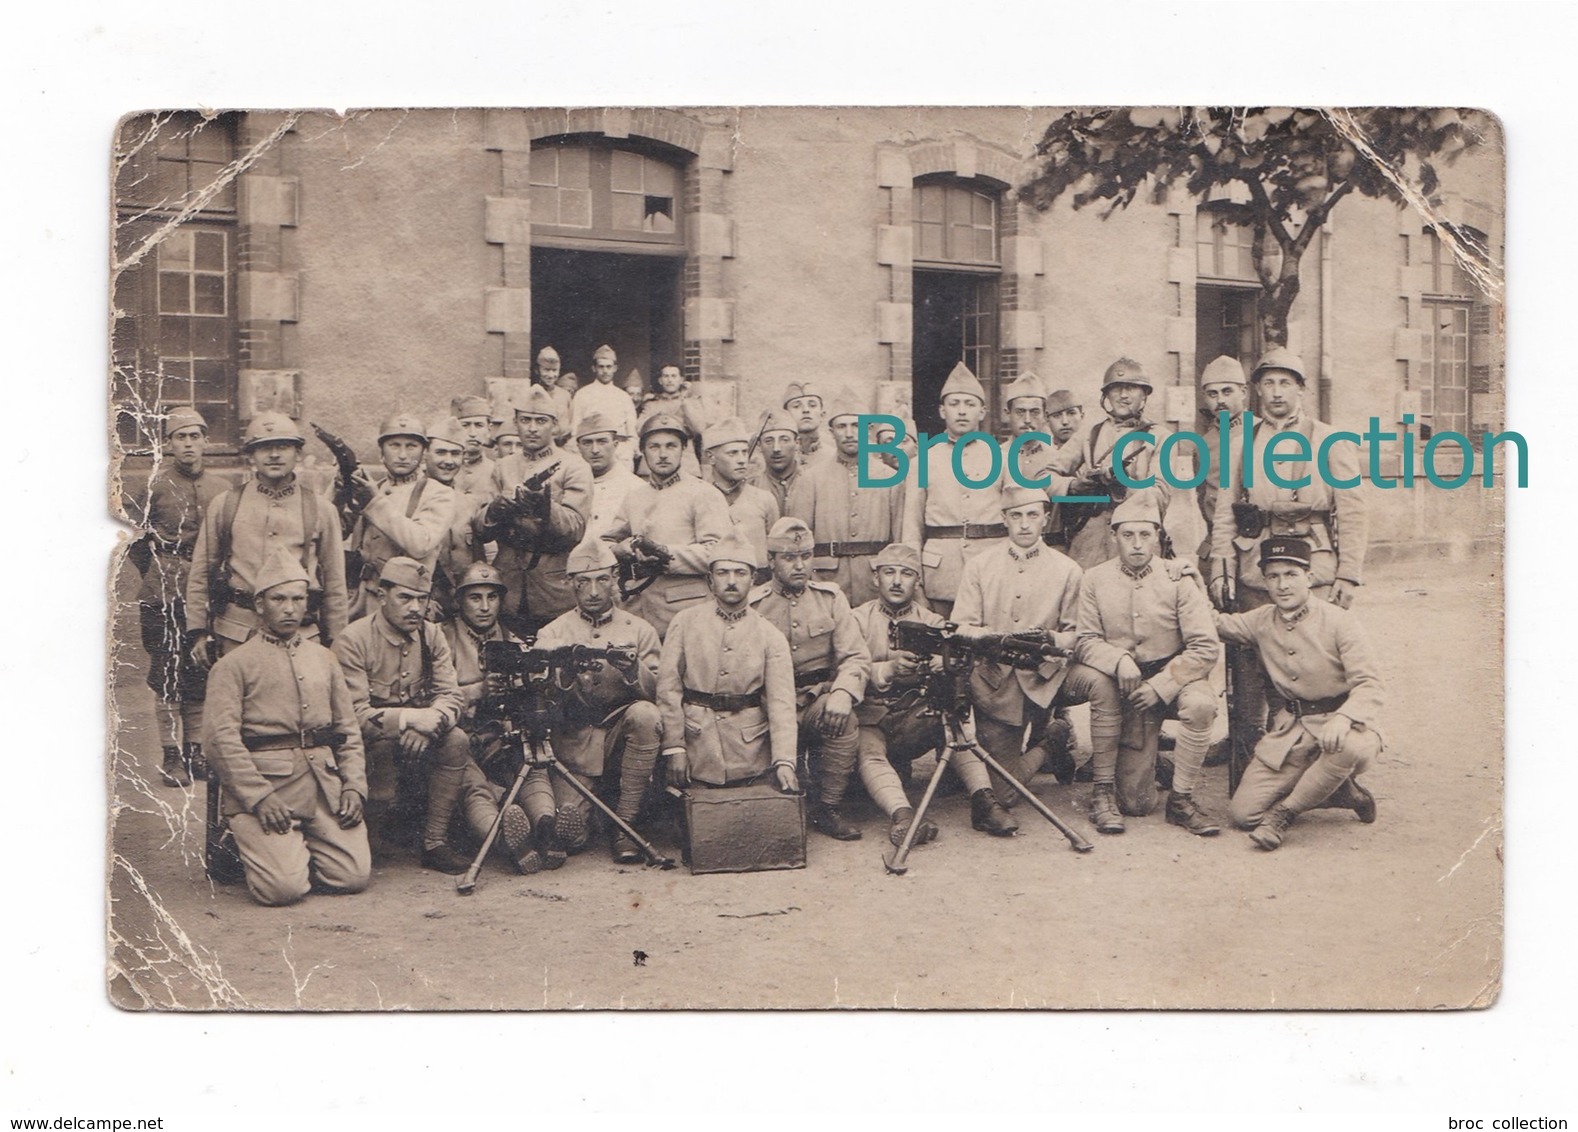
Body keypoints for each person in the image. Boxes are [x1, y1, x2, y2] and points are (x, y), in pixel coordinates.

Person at [203, 548, 370, 906]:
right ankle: (248, 843)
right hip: (268, 789)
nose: (290, 608)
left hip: (323, 786)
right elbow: (220, 741)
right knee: (282, 891)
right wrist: (258, 797)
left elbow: (348, 731)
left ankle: (291, 851)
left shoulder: (325, 659)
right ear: (259, 604)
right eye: (279, 599)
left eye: (298, 599)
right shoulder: (234, 665)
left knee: (353, 876)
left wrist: (354, 786)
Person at [333, 557, 518, 874]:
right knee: (365, 854)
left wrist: (429, 722)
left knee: (455, 739)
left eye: (422, 599)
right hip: (368, 745)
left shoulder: (430, 636)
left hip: (419, 737)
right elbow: (353, 716)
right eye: (405, 598)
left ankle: (434, 843)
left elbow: (450, 696)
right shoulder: (354, 640)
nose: (415, 608)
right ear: (382, 596)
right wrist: (410, 720)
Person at [952, 487, 1118, 815]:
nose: (1025, 524)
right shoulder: (980, 566)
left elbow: (1078, 633)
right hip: (997, 682)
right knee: (1004, 794)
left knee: (1100, 682)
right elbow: (961, 626)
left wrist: (1050, 640)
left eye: (1032, 515)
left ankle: (1104, 787)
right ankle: (1049, 743)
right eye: (1016, 516)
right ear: (1004, 519)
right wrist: (992, 638)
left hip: (1048, 676)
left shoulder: (1067, 569)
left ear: (1045, 518)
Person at [1213, 537, 1383, 850]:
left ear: (1309, 577)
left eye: (1291, 574)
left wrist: (1344, 718)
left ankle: (1285, 813)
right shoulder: (1261, 620)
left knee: (1349, 746)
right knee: (1243, 814)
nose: (1282, 585)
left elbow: (1370, 683)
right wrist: (1187, 579)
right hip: (1293, 733)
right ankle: (1339, 790)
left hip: (1343, 726)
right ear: (1265, 583)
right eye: (1273, 576)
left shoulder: (1339, 621)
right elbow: (1215, 624)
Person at [1072, 493, 1222, 834]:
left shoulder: (1176, 577)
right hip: (1127, 686)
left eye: (1145, 535)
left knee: (1201, 705)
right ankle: (1137, 769)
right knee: (1137, 804)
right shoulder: (1095, 579)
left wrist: (1163, 684)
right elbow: (1085, 640)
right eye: (1127, 535)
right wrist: (1119, 659)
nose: (1137, 545)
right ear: (1113, 537)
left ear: (1158, 536)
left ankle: (1182, 800)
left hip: (1176, 675)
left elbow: (1205, 646)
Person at [849, 543, 1015, 842]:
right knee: (868, 751)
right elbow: (847, 667)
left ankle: (984, 801)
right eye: (889, 572)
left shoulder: (934, 623)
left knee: (957, 728)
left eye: (907, 574)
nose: (897, 581)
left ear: (918, 581)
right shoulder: (856, 620)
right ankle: (904, 816)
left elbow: (959, 665)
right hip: (872, 714)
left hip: (918, 715)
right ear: (876, 579)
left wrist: (944, 664)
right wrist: (886, 669)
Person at [530, 541, 664, 864]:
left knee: (646, 715)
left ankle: (626, 826)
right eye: (582, 582)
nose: (592, 591)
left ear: (615, 578)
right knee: (571, 836)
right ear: (569, 583)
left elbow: (660, 693)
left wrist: (633, 670)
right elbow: (540, 695)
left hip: (622, 736)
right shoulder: (552, 633)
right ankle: (597, 814)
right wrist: (563, 675)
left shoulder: (640, 630)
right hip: (575, 742)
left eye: (602, 580)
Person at [1209, 347, 1370, 613]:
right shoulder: (1238, 445)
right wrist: (1222, 570)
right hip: (1256, 573)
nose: (1277, 392)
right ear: (1258, 389)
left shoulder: (1330, 441)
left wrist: (1348, 575)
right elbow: (1225, 515)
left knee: (1314, 649)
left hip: (1313, 571)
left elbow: (1352, 513)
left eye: (1285, 383)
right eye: (1269, 383)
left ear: (1301, 389)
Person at [186, 411, 348, 663]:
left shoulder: (320, 509)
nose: (274, 455)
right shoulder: (225, 504)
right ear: (251, 456)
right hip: (238, 633)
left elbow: (335, 583)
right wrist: (197, 630)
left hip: (301, 634)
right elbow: (200, 573)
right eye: (264, 448)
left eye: (283, 447)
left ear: (298, 454)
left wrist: (336, 640)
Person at [125, 406, 231, 787]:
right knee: (167, 673)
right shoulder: (152, 487)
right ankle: (171, 757)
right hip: (163, 594)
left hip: (208, 595)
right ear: (169, 445)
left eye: (195, 436)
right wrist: (159, 572)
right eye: (180, 437)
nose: (188, 444)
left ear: (206, 441)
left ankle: (195, 752)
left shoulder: (223, 489)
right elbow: (133, 543)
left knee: (200, 671)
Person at [749, 518, 872, 839]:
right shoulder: (754, 605)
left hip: (816, 699)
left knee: (844, 721)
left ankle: (828, 807)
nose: (800, 566)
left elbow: (855, 656)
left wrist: (844, 692)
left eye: (805, 556)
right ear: (771, 561)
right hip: (767, 706)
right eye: (789, 558)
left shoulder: (830, 598)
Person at [657, 531, 799, 793]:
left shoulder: (770, 635)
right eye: (722, 573)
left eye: (740, 573)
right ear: (710, 580)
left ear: (754, 579)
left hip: (750, 755)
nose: (731, 581)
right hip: (696, 749)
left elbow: (781, 705)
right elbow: (668, 690)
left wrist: (784, 761)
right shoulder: (685, 623)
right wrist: (674, 747)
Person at [1045, 357, 1202, 571]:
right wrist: (1074, 485)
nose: (1123, 396)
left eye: (1131, 388)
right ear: (1106, 395)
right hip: (1089, 545)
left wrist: (1124, 485)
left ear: (1144, 394)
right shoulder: (1090, 434)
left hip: (1137, 545)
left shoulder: (1162, 438)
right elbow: (1045, 478)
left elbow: (1160, 493)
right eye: (1116, 389)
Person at [477, 384, 593, 638]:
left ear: (554, 424)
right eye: (525, 420)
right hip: (508, 586)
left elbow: (575, 529)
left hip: (553, 590)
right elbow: (480, 527)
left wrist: (545, 507)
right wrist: (495, 511)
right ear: (515, 423)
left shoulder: (573, 467)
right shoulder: (503, 467)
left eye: (541, 421)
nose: (532, 428)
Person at [603, 413, 732, 639]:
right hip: (637, 610)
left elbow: (720, 552)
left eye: (671, 446)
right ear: (642, 451)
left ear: (683, 448)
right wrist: (620, 550)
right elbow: (606, 542)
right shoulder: (635, 496)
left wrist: (667, 553)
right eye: (654, 447)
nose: (663, 455)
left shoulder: (703, 493)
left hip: (685, 610)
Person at [900, 361, 1007, 617]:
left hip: (992, 570)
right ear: (941, 411)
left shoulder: (1003, 459)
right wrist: (916, 584)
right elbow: (911, 529)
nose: (961, 411)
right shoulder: (922, 462)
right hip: (940, 576)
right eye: (954, 404)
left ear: (982, 412)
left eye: (969, 404)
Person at [786, 397, 903, 608]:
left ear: (868, 429)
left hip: (875, 583)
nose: (849, 433)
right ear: (831, 431)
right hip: (826, 581)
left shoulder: (890, 477)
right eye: (841, 426)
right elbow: (798, 540)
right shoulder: (811, 478)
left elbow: (899, 539)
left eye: (856, 425)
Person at [346, 413, 456, 620]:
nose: (402, 455)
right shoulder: (373, 488)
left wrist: (375, 501)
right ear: (381, 453)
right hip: (364, 601)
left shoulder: (439, 493)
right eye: (394, 445)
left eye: (411, 446)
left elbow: (419, 543)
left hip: (408, 604)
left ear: (424, 453)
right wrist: (338, 490)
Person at [423, 416, 484, 622]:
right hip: (423, 608)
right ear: (425, 454)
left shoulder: (470, 504)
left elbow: (478, 559)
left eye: (456, 453)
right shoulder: (410, 499)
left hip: (462, 611)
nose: (448, 461)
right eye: (440, 452)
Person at [704, 416, 780, 572]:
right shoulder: (699, 498)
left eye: (744, 452)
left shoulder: (764, 499)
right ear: (711, 457)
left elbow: (776, 553)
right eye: (732, 453)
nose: (741, 460)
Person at [574, 409, 639, 548]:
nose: (595, 450)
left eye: (602, 441)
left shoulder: (635, 487)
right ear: (578, 447)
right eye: (587, 443)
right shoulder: (570, 483)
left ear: (615, 445)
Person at [571, 344, 639, 468]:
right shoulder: (582, 395)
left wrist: (628, 451)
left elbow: (632, 433)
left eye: (609, 367)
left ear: (615, 368)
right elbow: (575, 430)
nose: (605, 371)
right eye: (601, 367)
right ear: (594, 368)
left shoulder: (623, 397)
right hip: (592, 452)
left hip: (620, 453)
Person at [639, 363, 707, 476]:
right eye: (666, 376)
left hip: (684, 458)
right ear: (660, 380)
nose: (670, 380)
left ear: (681, 380)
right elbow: (639, 429)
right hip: (656, 458)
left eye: (673, 376)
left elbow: (699, 429)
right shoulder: (652, 404)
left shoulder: (691, 402)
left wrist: (684, 401)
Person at [748, 410, 805, 519]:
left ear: (797, 443)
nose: (776, 448)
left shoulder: (813, 482)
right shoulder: (751, 487)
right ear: (759, 445)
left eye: (784, 440)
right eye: (769, 441)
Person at [451, 394, 498, 495]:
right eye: (465, 425)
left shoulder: (497, 470)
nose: (472, 433)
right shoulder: (444, 468)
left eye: (479, 425)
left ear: (489, 429)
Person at [782, 380, 832, 468]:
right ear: (786, 415)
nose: (806, 410)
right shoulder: (777, 456)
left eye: (812, 405)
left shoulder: (834, 454)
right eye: (796, 406)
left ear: (822, 415)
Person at [532, 347, 576, 446]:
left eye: (554, 370)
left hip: (562, 447)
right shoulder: (531, 393)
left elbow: (570, 421)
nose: (551, 375)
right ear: (537, 370)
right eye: (546, 370)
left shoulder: (565, 396)